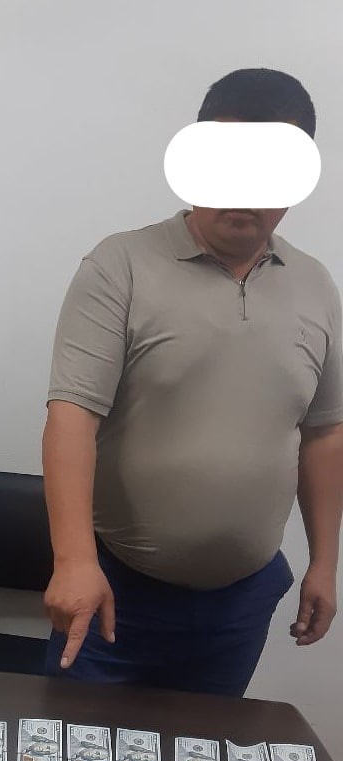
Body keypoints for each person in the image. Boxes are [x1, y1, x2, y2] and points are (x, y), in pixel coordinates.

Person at [43, 68, 343, 695]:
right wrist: (73, 561)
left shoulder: (316, 286)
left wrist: (324, 563)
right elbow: (72, 417)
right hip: (116, 596)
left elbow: (323, 433)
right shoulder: (121, 266)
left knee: (204, 758)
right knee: (78, 755)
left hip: (242, 606)